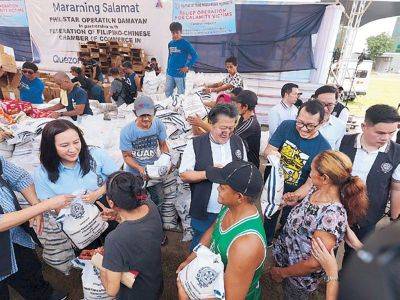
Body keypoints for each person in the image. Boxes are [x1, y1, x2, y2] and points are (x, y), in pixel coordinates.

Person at [269, 150, 368, 300]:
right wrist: (296, 203)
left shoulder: (331, 217)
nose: (309, 173)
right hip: (287, 258)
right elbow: (309, 215)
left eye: (312, 170)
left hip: (297, 278)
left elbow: (314, 264)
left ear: (324, 178)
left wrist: (282, 273)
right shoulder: (318, 189)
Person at [177, 161, 266, 300]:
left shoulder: (245, 246)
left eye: (222, 187)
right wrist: (192, 259)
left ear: (239, 197)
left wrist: (184, 295)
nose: (218, 189)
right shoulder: (230, 207)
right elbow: (213, 230)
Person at [33, 119, 119, 251]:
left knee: (116, 245)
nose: (72, 149)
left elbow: (117, 178)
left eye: (76, 142)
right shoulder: (41, 173)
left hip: (105, 206)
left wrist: (97, 193)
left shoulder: (95, 155)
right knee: (90, 254)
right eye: (64, 145)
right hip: (74, 218)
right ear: (50, 147)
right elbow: (49, 202)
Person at [0, 155, 73, 300]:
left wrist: (35, 204)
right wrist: (44, 206)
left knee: (29, 269)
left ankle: (42, 294)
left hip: (14, 236)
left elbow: (20, 177)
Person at [262, 100, 331, 246]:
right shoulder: (287, 126)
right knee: (269, 217)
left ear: (321, 123)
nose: (304, 129)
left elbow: (310, 182)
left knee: (290, 223)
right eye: (300, 123)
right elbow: (268, 150)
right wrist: (274, 155)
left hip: (297, 194)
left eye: (310, 126)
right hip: (275, 186)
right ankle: (265, 242)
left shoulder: (324, 148)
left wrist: (293, 197)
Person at [179, 104, 247, 250]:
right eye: (223, 128)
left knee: (224, 245)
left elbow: (244, 169)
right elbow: (184, 175)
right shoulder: (195, 144)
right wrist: (209, 173)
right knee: (200, 245)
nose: (227, 132)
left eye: (231, 128)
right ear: (211, 123)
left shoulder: (238, 142)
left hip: (231, 209)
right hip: (205, 209)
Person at [339, 104, 400, 261]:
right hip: (337, 210)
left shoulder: (397, 154)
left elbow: (396, 189)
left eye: (391, 133)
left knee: (355, 255)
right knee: (327, 247)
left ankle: (344, 281)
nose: (386, 138)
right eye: (380, 132)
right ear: (364, 126)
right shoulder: (342, 143)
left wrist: (395, 221)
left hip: (368, 216)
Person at [99, 171, 163, 299]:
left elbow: (112, 291)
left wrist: (101, 265)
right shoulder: (150, 206)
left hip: (134, 294)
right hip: (154, 282)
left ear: (111, 203)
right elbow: (137, 228)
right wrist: (118, 215)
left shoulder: (114, 239)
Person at [119, 95, 169, 244]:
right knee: (136, 204)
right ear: (135, 114)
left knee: (158, 200)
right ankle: (140, 232)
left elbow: (163, 145)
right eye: (142, 116)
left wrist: (166, 160)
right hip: (135, 173)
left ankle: (157, 231)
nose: (146, 119)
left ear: (154, 112)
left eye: (149, 115)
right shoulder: (127, 131)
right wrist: (139, 168)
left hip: (154, 172)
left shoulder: (158, 125)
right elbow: (126, 156)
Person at [166, 22, 199, 97]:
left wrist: (187, 67)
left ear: (181, 32)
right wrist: (167, 69)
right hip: (169, 73)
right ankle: (168, 106)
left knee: (181, 93)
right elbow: (169, 57)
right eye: (173, 33)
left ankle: (179, 107)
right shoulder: (170, 43)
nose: (175, 35)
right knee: (167, 92)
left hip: (179, 74)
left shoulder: (185, 44)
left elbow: (195, 55)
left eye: (177, 33)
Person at [233, 90, 261, 168]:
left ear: (245, 107)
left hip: (249, 165)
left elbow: (229, 137)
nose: (236, 106)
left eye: (237, 104)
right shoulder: (243, 117)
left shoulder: (250, 125)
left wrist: (202, 124)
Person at [314, 85, 346, 150]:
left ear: (336, 103)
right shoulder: (303, 119)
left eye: (330, 105)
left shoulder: (340, 126)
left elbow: (336, 151)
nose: (325, 109)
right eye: (321, 104)